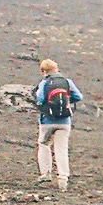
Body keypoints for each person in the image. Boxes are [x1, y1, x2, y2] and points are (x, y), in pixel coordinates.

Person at [31, 58, 82, 191]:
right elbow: (79, 96)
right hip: (65, 121)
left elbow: (40, 98)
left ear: (44, 71)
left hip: (47, 121)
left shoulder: (44, 83)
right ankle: (63, 179)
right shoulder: (67, 82)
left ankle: (46, 173)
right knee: (61, 149)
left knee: (44, 144)